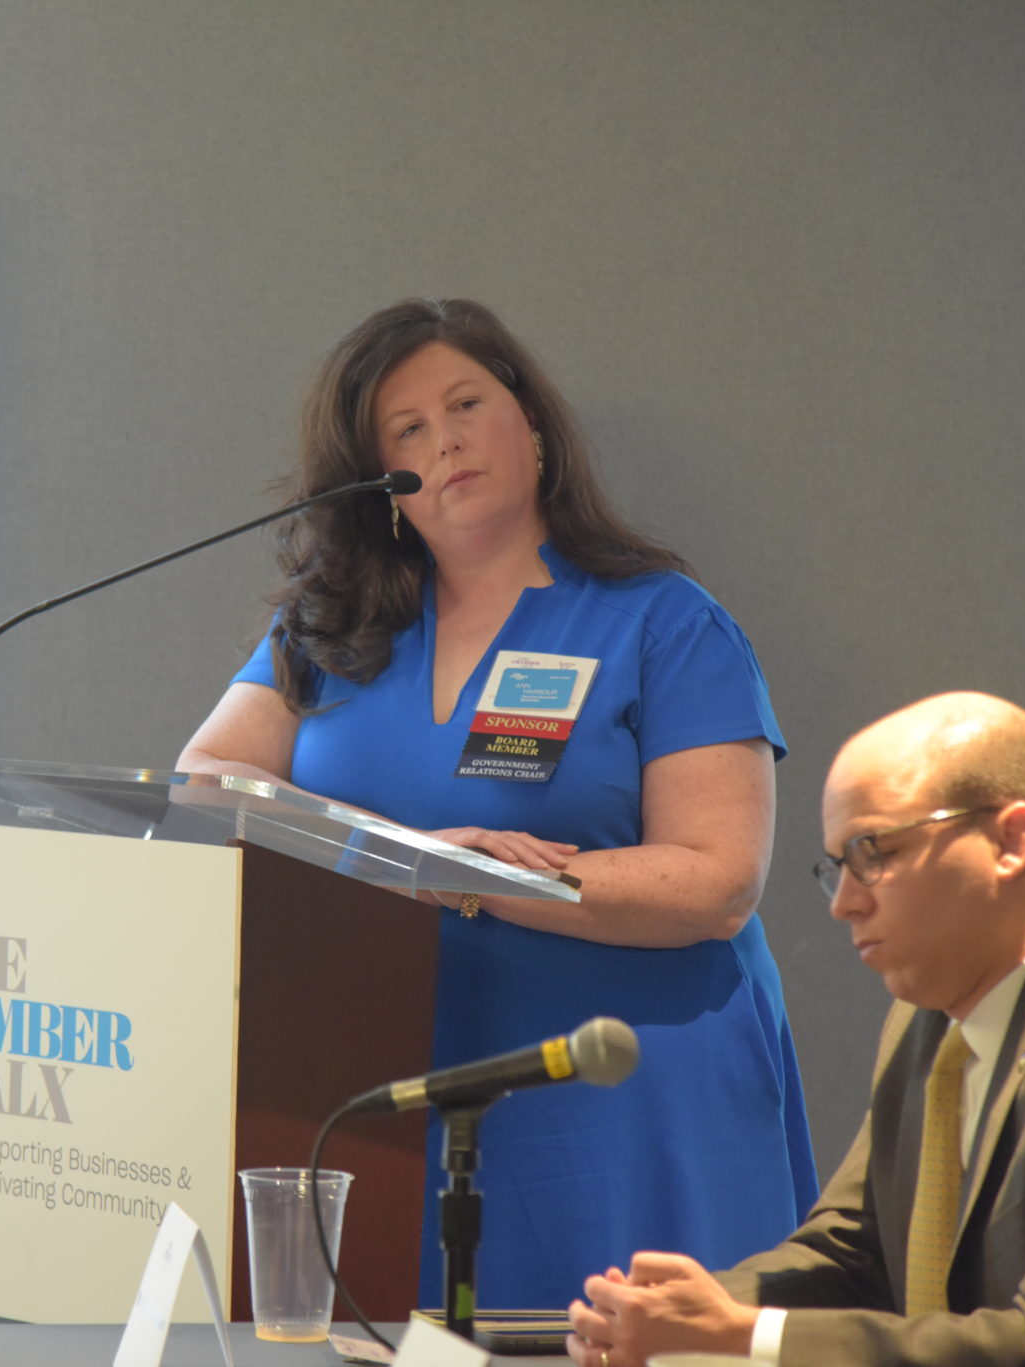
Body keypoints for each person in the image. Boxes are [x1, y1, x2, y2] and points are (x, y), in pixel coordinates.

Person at [178, 297, 819, 1309]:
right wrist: (399, 855)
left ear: (529, 421)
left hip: (622, 1082)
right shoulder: (330, 629)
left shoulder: (662, 620)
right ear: (379, 478)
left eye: (467, 402)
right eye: (407, 430)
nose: (447, 439)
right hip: (397, 1073)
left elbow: (716, 880)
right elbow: (209, 782)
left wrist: (469, 881)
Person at [566, 692, 1025, 1367]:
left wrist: (737, 1332)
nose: (843, 903)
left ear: (1012, 841)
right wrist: (684, 1309)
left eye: (873, 853)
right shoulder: (928, 1013)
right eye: (836, 865)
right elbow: (851, 1251)